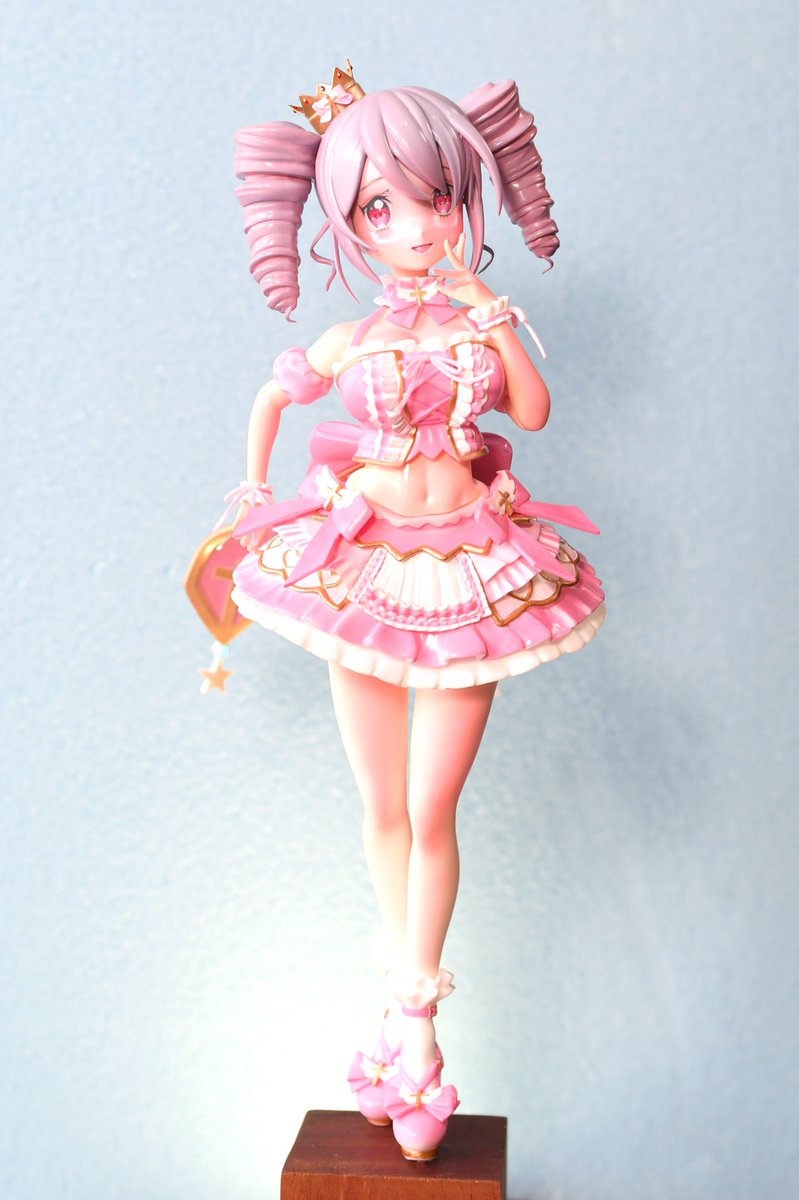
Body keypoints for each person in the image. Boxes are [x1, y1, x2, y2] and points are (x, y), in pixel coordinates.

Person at [216, 65, 605, 1161]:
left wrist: (495, 316)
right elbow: (273, 395)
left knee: (433, 809)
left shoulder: (480, 324)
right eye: (381, 207)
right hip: (363, 568)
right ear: (348, 220)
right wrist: (252, 489)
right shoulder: (351, 342)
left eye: (437, 198)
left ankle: (417, 1027)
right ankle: (399, 1018)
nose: (419, 226)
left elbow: (533, 410)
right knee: (382, 807)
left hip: (475, 568)